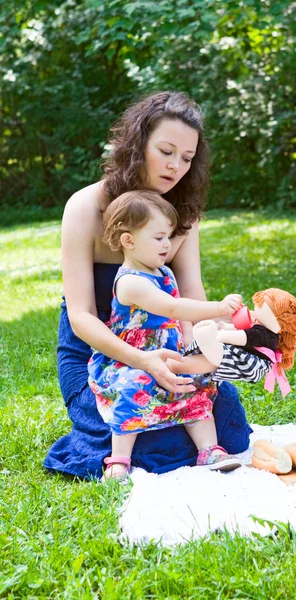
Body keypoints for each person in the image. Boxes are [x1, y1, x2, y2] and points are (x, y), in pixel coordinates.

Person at [44, 91, 252, 480]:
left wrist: (196, 357)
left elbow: (191, 295)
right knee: (153, 436)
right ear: (138, 145)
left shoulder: (184, 213)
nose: (176, 166)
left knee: (225, 424)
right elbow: (81, 316)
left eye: (187, 159)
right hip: (97, 356)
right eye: (167, 151)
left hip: (167, 348)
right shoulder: (85, 207)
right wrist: (143, 362)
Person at [89, 190, 243, 478]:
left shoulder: (163, 272)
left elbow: (180, 317)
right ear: (128, 240)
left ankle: (208, 449)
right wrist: (218, 306)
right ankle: (120, 458)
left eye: (169, 236)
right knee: (135, 386)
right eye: (158, 237)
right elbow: (172, 306)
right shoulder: (130, 282)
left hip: (171, 354)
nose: (167, 244)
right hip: (133, 359)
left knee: (194, 385)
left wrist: (206, 334)